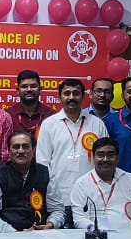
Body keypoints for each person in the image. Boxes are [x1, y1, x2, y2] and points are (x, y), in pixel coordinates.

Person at [35, 79, 108, 230]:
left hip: (91, 197)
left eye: (76, 93)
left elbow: (105, 161)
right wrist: (51, 193)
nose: (71, 97)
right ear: (59, 97)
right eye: (66, 93)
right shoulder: (49, 124)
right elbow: (42, 162)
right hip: (59, 198)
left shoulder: (97, 124)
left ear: (83, 96)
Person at [67, 137, 131, 230]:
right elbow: (80, 219)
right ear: (93, 158)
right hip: (98, 236)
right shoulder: (81, 184)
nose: (105, 159)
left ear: (117, 158)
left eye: (110, 155)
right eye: (100, 155)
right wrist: (97, 230)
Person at [0, 132, 53, 232]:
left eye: (26, 147)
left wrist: (50, 224)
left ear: (33, 149)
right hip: (7, 236)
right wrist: (15, 234)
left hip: (42, 233)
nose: (21, 151)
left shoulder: (46, 173)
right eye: (16, 147)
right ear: (8, 150)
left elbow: (57, 210)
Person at [9, 70, 56, 139]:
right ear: (17, 90)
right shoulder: (9, 115)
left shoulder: (51, 116)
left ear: (40, 89)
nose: (29, 89)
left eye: (33, 86)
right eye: (24, 86)